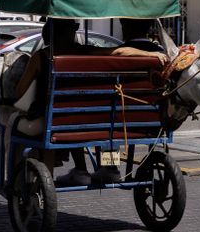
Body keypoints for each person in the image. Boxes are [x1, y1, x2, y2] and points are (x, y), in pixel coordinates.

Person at [14, 18, 168, 185]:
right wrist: (152, 55)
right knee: (96, 120)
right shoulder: (84, 52)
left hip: (64, 121)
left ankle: (78, 169)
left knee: (17, 124)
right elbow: (119, 52)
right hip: (110, 119)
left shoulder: (40, 57)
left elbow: (18, 92)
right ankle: (110, 166)